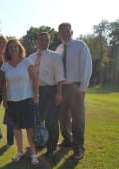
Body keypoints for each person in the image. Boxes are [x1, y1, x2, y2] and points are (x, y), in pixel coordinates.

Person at [56, 22, 92, 160]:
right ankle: (67, 140)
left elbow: (87, 67)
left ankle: (78, 148)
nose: (65, 33)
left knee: (78, 119)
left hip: (76, 87)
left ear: (71, 32)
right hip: (62, 88)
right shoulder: (58, 49)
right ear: (59, 34)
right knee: (63, 117)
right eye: (62, 31)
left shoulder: (80, 46)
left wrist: (83, 88)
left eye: (67, 31)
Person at [0, 38, 39, 165]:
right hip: (12, 102)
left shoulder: (27, 61)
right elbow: (2, 84)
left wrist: (36, 95)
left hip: (27, 100)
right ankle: (20, 151)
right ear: (8, 51)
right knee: (16, 128)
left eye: (15, 47)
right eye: (10, 47)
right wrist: (4, 100)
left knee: (29, 128)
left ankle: (33, 153)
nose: (13, 49)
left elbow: (34, 79)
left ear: (19, 48)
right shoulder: (5, 65)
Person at [28, 32, 65, 157]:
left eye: (46, 40)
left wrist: (59, 93)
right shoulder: (31, 57)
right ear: (36, 42)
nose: (43, 42)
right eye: (41, 40)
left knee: (51, 122)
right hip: (35, 91)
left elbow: (60, 76)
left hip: (50, 91)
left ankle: (51, 148)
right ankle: (39, 143)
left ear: (49, 41)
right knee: (37, 121)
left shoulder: (55, 56)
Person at [0, 35, 11, 146]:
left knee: (9, 115)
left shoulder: (10, 58)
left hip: (9, 90)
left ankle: (10, 140)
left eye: (3, 42)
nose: (1, 44)